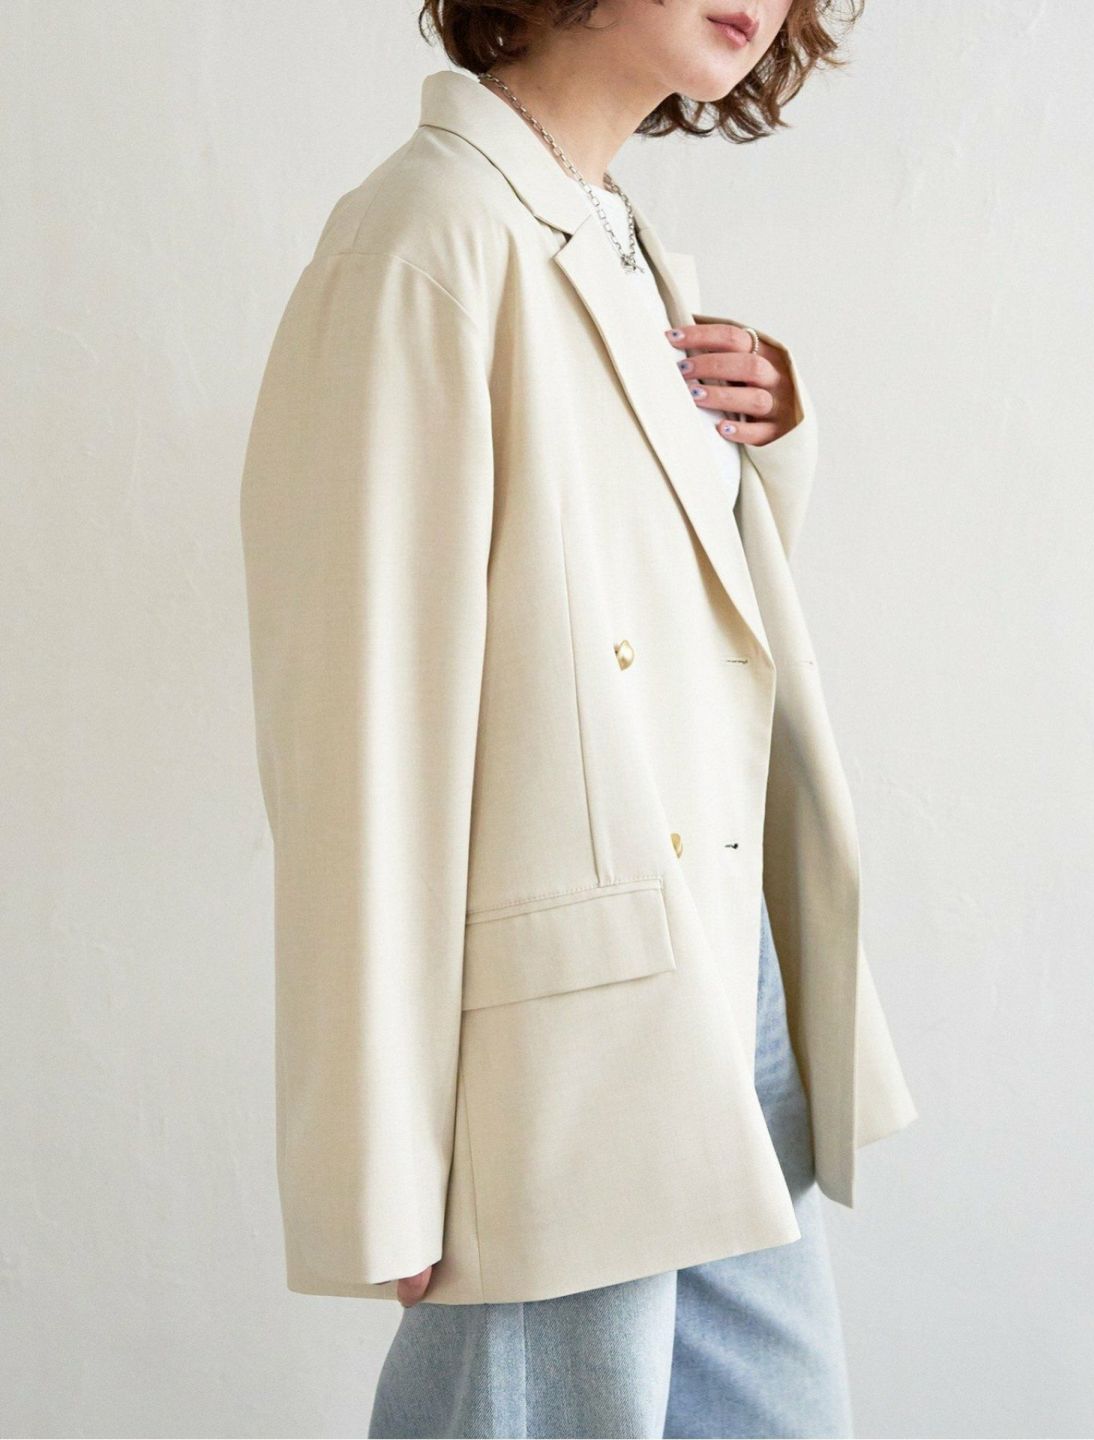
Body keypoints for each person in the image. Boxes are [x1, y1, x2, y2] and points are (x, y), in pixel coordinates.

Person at [238, 1, 918, 1435]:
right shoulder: (425, 238)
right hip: (560, 1031)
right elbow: (359, 725)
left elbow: (670, 628)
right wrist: (379, 1153)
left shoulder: (616, 235)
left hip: (717, 971)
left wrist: (770, 448)